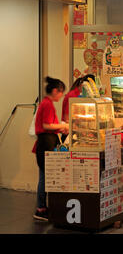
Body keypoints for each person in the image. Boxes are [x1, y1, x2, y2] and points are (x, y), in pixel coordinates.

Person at [33, 77, 68, 221]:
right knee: (44, 177)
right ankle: (41, 209)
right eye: (61, 92)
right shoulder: (47, 104)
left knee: (45, 176)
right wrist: (63, 126)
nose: (61, 95)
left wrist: (61, 127)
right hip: (45, 143)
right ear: (55, 91)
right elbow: (46, 125)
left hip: (47, 142)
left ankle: (42, 207)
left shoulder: (47, 103)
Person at [61, 74, 95, 141]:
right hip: (69, 132)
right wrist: (78, 129)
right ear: (84, 85)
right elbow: (67, 118)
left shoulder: (82, 95)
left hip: (76, 130)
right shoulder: (73, 95)